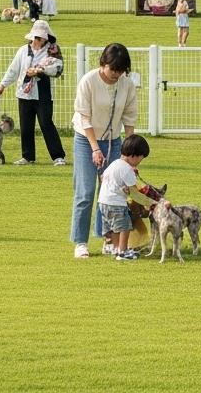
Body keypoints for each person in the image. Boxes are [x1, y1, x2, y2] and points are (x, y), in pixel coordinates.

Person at [70, 43, 139, 259]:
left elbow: (129, 117)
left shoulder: (126, 84)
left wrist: (128, 153)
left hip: (113, 141)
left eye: (121, 71)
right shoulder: (88, 81)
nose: (116, 75)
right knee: (86, 192)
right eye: (113, 70)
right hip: (86, 139)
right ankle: (81, 242)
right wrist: (94, 148)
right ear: (103, 63)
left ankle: (108, 238)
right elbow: (84, 117)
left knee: (111, 192)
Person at [0, 19, 66, 166]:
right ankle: (27, 157)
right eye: (36, 37)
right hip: (24, 93)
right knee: (26, 126)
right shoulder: (23, 50)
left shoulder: (52, 50)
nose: (38, 40)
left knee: (46, 124)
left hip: (43, 94)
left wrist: (40, 70)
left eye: (41, 37)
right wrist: (2, 85)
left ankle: (58, 156)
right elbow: (13, 70)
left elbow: (58, 69)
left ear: (46, 37)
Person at [98, 135, 150, 261]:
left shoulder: (114, 163)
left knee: (113, 227)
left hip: (103, 201)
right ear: (134, 155)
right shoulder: (127, 169)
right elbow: (135, 193)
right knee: (124, 227)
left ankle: (113, 247)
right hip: (116, 203)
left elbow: (102, 178)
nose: (139, 162)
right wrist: (150, 203)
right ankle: (122, 252)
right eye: (140, 159)